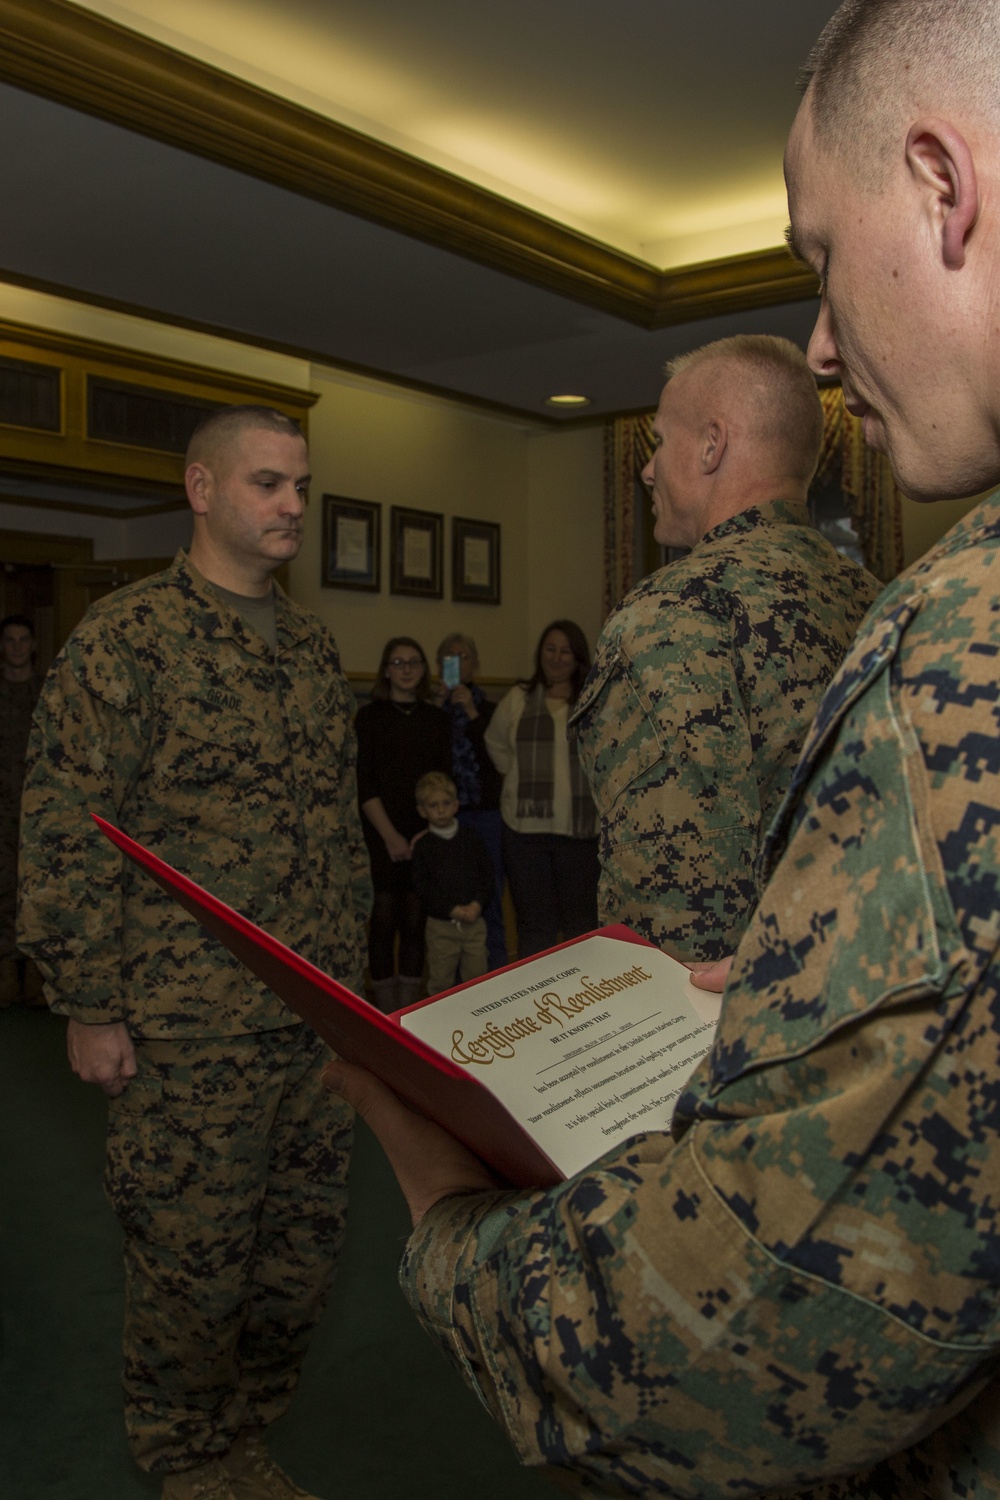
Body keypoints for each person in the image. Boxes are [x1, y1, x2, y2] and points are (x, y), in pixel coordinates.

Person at [322, 2, 1000, 1495]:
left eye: (824, 252)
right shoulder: (871, 589)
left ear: (947, 189)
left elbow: (740, 1325)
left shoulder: (919, 628)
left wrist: (454, 1221)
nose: (828, 335)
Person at [18, 406, 372, 1500]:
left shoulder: (312, 647)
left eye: (302, 488)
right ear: (202, 489)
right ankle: (185, 1455)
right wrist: (86, 1000)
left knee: (297, 1252)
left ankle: (246, 1426)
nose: (292, 509)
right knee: (190, 1259)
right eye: (268, 485)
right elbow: (67, 824)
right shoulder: (128, 640)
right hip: (189, 1021)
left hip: (314, 1015)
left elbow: (334, 823)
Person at [571, 336, 880, 962]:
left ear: (711, 446)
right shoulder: (879, 599)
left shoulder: (670, 615)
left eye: (659, 440)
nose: (647, 468)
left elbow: (674, 920)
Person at [485, 620, 598, 958]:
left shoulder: (594, 699)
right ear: (540, 653)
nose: (557, 657)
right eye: (550, 649)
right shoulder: (518, 698)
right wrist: (524, 780)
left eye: (566, 651)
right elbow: (496, 745)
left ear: (578, 657)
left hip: (581, 834)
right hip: (525, 835)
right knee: (536, 928)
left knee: (582, 927)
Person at [355, 637, 451, 1011]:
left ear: (424, 670)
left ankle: (408, 1011)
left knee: (415, 922)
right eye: (397, 662)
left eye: (414, 662)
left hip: (426, 832)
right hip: (380, 832)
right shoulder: (369, 717)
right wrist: (391, 836)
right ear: (385, 670)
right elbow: (364, 783)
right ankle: (381, 1011)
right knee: (381, 922)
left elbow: (445, 778)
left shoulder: (436, 719)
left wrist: (427, 832)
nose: (406, 669)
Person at [433, 632, 507, 969]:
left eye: (464, 657)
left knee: (488, 898)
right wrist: (437, 710)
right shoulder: (433, 713)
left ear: (474, 664)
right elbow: (425, 763)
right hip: (445, 818)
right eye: (450, 657)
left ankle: (497, 973)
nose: (458, 663)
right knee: (448, 899)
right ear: (440, 666)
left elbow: (498, 765)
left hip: (487, 816)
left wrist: (472, 712)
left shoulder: (491, 711)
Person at [410, 771, 494, 996]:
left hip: (474, 923)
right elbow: (423, 888)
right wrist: (450, 909)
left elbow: (487, 875)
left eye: (446, 803)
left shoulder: (471, 838)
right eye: (433, 805)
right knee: (440, 982)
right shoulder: (423, 847)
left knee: (478, 981)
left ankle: (480, 1022)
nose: (440, 809)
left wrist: (477, 904)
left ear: (456, 805)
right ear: (422, 810)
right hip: (441, 927)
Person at [0, 614, 41, 1006]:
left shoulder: (47, 693)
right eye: (9, 641)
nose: (15, 647)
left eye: (22, 640)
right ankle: (5, 976)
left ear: (32, 645)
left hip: (38, 812)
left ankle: (36, 976)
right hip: (1, 811)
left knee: (37, 892)